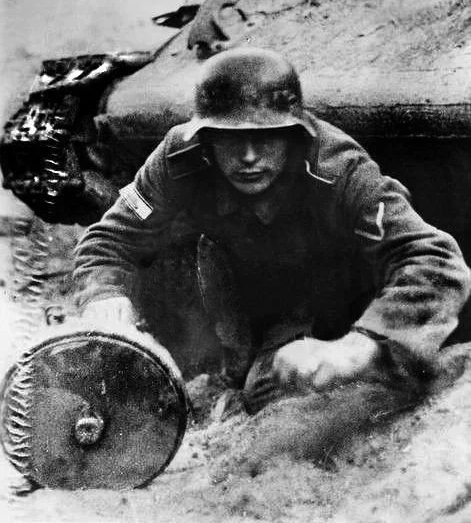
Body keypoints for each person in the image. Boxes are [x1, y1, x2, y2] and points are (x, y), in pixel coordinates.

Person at [73, 47, 470, 414]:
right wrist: (102, 295)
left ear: (294, 134)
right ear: (206, 139)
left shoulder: (338, 169)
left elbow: (433, 259)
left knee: (313, 405)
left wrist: (359, 347)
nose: (248, 157)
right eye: (230, 140)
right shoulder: (180, 160)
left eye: (265, 138)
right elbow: (110, 239)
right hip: (250, 288)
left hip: (346, 295)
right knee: (256, 393)